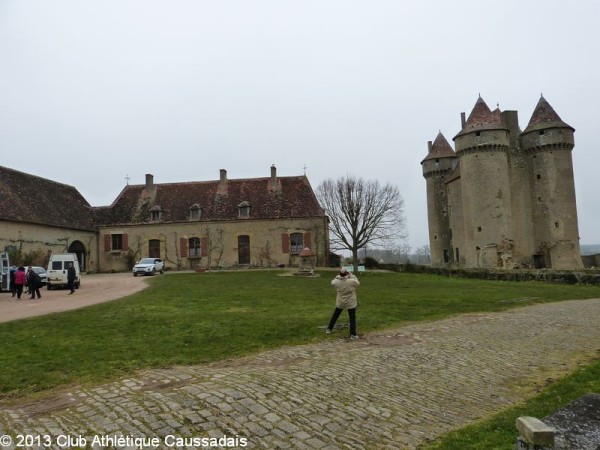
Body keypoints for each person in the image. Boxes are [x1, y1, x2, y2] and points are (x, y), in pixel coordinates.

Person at [326, 268, 360, 340]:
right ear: (346, 274)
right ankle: (353, 334)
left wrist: (338, 277)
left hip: (340, 301)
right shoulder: (351, 281)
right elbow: (357, 282)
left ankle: (329, 329)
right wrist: (351, 275)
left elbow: (333, 282)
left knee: (335, 315)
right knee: (352, 318)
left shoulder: (336, 282)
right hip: (350, 301)